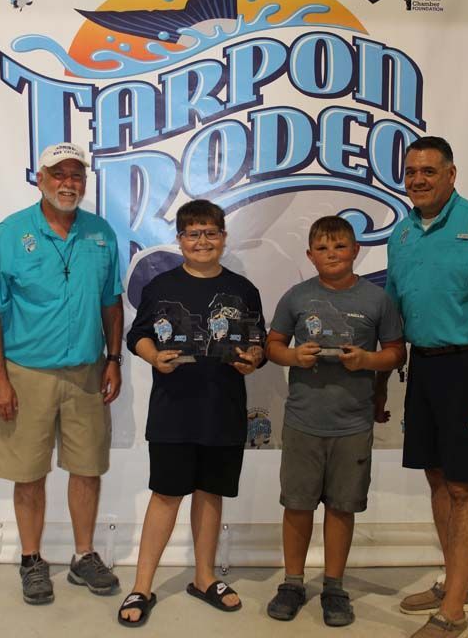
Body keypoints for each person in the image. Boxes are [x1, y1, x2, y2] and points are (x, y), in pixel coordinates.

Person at [0, 143, 123, 606]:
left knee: (87, 468)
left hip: (85, 374)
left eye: (77, 174)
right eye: (59, 174)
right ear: (40, 179)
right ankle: (33, 560)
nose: (68, 182)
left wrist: (113, 358)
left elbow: (111, 301)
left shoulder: (101, 234)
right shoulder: (9, 234)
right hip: (26, 374)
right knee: (29, 472)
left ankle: (83, 557)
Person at [118, 199, 265, 627]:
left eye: (210, 233)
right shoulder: (161, 286)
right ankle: (142, 585)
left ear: (223, 237)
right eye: (193, 234)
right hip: (173, 411)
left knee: (210, 493)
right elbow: (138, 336)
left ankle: (203, 578)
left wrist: (253, 359)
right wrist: (154, 358)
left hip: (223, 409)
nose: (202, 241)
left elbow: (258, 342)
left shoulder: (243, 289)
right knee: (165, 494)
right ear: (180, 240)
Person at [266, 216, 405, 627]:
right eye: (323, 248)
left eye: (340, 247)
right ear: (310, 255)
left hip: (353, 424)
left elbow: (397, 352)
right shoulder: (296, 297)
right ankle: (292, 582)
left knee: (343, 508)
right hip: (303, 421)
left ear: (355, 251)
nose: (332, 255)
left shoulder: (377, 300)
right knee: (297, 505)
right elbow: (273, 345)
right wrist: (293, 356)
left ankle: (334, 586)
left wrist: (366, 360)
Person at [386, 136, 468, 638]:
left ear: (452, 174)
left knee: (463, 485)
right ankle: (459, 582)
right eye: (410, 171)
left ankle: (452, 614)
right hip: (424, 368)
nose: (417, 180)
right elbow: (394, 318)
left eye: (428, 171)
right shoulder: (402, 234)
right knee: (437, 479)